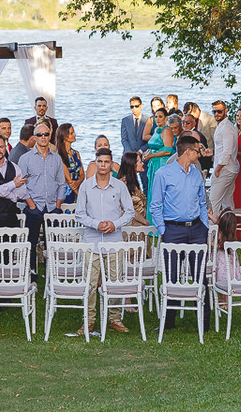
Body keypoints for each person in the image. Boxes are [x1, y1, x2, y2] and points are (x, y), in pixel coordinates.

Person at [149, 136, 211, 328]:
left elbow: (202, 202)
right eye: (197, 150)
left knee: (200, 275)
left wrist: (206, 226)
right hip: (172, 230)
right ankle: (168, 321)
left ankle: (204, 320)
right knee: (171, 276)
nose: (199, 153)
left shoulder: (196, 174)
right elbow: (155, 205)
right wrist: (162, 230)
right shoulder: (163, 174)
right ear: (188, 152)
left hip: (197, 229)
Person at [74, 147, 136, 336]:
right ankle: (89, 321)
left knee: (115, 282)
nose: (103, 165)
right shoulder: (86, 186)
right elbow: (79, 214)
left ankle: (115, 319)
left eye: (106, 162)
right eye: (99, 161)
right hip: (91, 240)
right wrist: (96, 224)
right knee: (90, 284)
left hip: (114, 240)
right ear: (95, 162)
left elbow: (130, 212)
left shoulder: (119, 186)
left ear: (111, 164)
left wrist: (114, 224)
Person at [18, 124, 67, 273]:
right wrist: (31, 204)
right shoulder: (25, 159)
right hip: (34, 207)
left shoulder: (57, 158)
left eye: (46, 134)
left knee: (52, 243)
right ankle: (31, 272)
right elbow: (20, 184)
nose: (43, 137)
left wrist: (58, 205)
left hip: (52, 207)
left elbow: (61, 183)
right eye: (39, 135)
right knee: (31, 242)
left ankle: (51, 273)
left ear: (50, 136)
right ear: (34, 137)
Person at [141, 108, 175, 216]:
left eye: (160, 116)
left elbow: (168, 150)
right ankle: (152, 221)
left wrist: (152, 155)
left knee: (160, 191)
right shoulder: (156, 130)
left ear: (166, 118)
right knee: (152, 190)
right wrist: (147, 152)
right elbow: (153, 145)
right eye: (156, 117)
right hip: (154, 163)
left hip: (162, 164)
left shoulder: (167, 131)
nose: (157, 119)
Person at [209, 100, 239, 215]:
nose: (216, 114)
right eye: (214, 111)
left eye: (219, 111)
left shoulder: (227, 127)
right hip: (227, 168)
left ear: (225, 111)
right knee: (227, 203)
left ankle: (212, 231)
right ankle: (228, 231)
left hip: (225, 169)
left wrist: (218, 168)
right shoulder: (221, 126)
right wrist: (211, 152)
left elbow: (227, 151)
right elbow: (222, 148)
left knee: (213, 203)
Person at [56, 122, 84, 205]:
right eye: (71, 133)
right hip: (67, 193)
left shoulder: (76, 153)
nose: (74, 135)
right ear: (64, 136)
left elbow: (82, 174)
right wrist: (80, 197)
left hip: (78, 187)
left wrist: (78, 183)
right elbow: (68, 180)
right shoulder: (59, 155)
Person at [119, 152, 149, 226]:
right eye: (140, 162)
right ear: (133, 165)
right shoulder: (123, 184)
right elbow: (127, 208)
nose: (142, 163)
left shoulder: (133, 182)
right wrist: (145, 222)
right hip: (130, 228)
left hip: (139, 225)